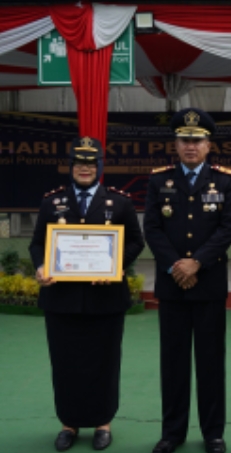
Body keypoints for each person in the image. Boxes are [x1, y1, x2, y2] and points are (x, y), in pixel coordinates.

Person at [29, 136, 145, 451]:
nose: (85, 168)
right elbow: (38, 243)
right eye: (79, 162)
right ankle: (68, 424)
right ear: (71, 166)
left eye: (91, 163)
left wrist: (115, 266)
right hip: (62, 301)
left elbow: (136, 241)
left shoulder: (119, 202)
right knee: (64, 362)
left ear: (99, 167)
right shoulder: (52, 202)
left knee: (104, 362)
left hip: (105, 299)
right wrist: (41, 266)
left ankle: (102, 423)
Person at [143, 108, 231, 453]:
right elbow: (152, 227)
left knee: (211, 362)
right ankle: (172, 433)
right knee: (173, 363)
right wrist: (176, 266)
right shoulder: (159, 180)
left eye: (197, 140)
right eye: (185, 140)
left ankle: (213, 433)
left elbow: (228, 228)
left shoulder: (225, 180)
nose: (191, 146)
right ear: (176, 144)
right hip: (172, 285)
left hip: (209, 284)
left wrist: (196, 263)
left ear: (208, 145)